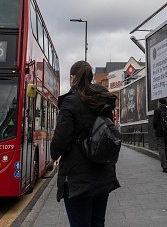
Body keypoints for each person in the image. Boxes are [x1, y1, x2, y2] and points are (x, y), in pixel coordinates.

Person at [51, 61, 120, 227]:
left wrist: (54, 154)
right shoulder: (103, 100)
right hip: (103, 173)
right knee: (98, 223)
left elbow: (60, 142)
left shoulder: (70, 102)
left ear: (73, 78)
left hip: (78, 180)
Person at [153, 98, 167, 173]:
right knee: (166, 149)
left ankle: (165, 166)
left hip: (160, 133)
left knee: (161, 149)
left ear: (159, 103)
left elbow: (155, 122)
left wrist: (157, 129)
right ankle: (166, 164)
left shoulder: (157, 111)